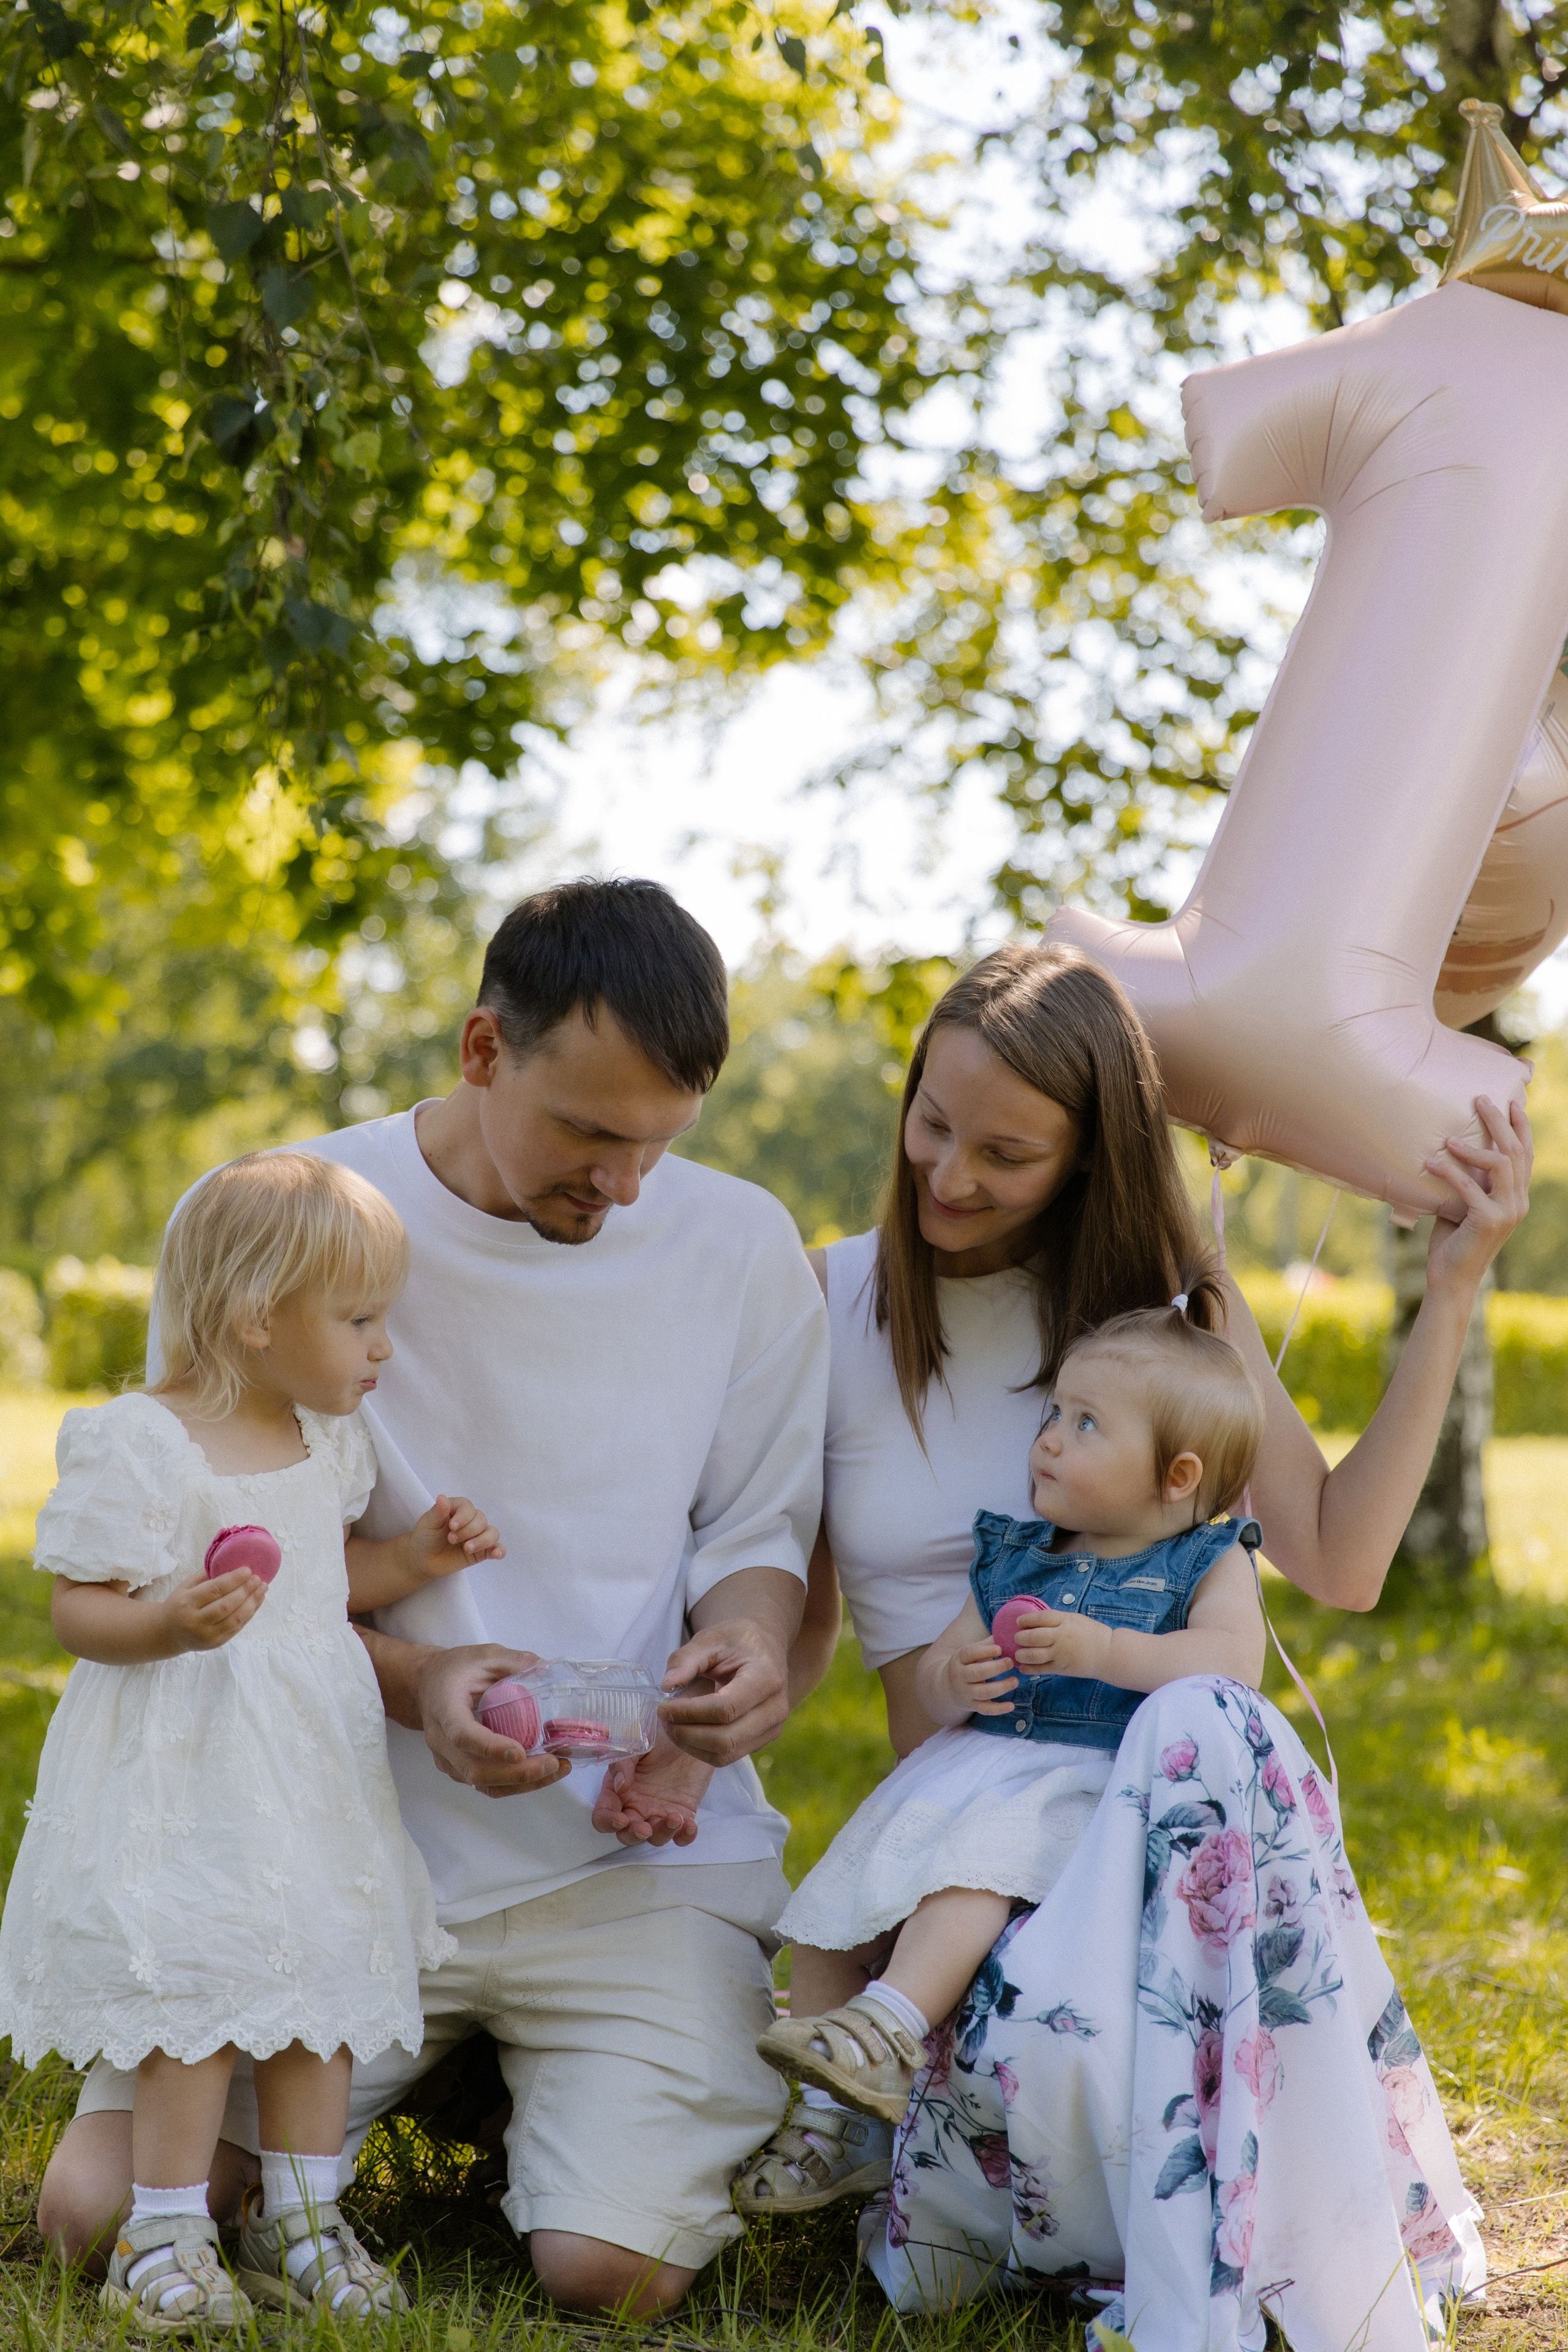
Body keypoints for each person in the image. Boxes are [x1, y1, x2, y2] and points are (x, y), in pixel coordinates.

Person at [37, 877, 828, 2320]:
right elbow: (189, 1555)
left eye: (659, 1142)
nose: (626, 1184)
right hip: (318, 1836)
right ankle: (437, 2075)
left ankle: (519, 2092)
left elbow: (758, 1530)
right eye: (589, 1132)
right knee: (93, 2218)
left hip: (622, 1861)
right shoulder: (280, 1224)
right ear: (481, 1049)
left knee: (613, 2273)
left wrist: (749, 1640)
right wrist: (417, 1683)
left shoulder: (739, 1245)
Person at [737, 941, 1525, 2350]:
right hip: (956, 1899)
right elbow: (783, 1624)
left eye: (1006, 1152)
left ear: (1092, 1157)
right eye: (930, 1123)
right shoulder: (832, 1300)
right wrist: (698, 1735)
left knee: (1203, 1725)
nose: (949, 1175)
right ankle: (896, 2086)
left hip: (1148, 1872)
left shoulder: (1160, 1336)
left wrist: (1453, 1287)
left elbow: (1337, 1558)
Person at [0, 1153, 503, 2330]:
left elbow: (326, 1583)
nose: (385, 1347)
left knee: (315, 1979)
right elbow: (80, 1606)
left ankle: (303, 2215)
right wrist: (167, 1620)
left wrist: (418, 1559)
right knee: (203, 1981)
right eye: (362, 1320)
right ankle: (163, 2226)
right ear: (256, 1317)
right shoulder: (144, 1441)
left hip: (306, 1767)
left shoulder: (324, 1444)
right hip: (188, 1763)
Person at [759, 1295, 1266, 2120]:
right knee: (840, 1901)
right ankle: (827, 2122)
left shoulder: (1206, 1561)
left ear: (1178, 1476)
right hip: (971, 1774)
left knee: (970, 1876)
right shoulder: (1011, 1554)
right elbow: (937, 1671)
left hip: (1090, 1785)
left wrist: (1106, 1652)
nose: (1052, 1438)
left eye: (1088, 1424)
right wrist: (952, 1683)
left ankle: (888, 2028)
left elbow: (1232, 1664)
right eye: (1055, 1413)